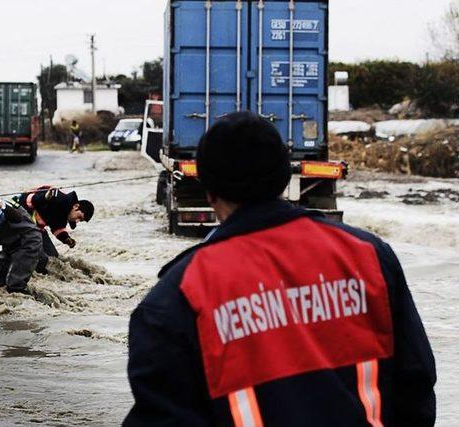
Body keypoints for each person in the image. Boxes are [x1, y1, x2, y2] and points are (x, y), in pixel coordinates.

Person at [124, 111, 436, 426]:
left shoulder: (177, 298)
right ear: (284, 178)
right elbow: (416, 386)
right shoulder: (370, 257)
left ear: (209, 190)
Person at [15, 186, 94, 262]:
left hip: (36, 228)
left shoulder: (66, 214)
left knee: (53, 257)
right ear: (76, 206)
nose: (77, 221)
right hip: (19, 216)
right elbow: (26, 199)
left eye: (80, 220)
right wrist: (44, 198)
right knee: (41, 258)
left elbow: (58, 229)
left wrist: (66, 239)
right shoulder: (57, 198)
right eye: (79, 217)